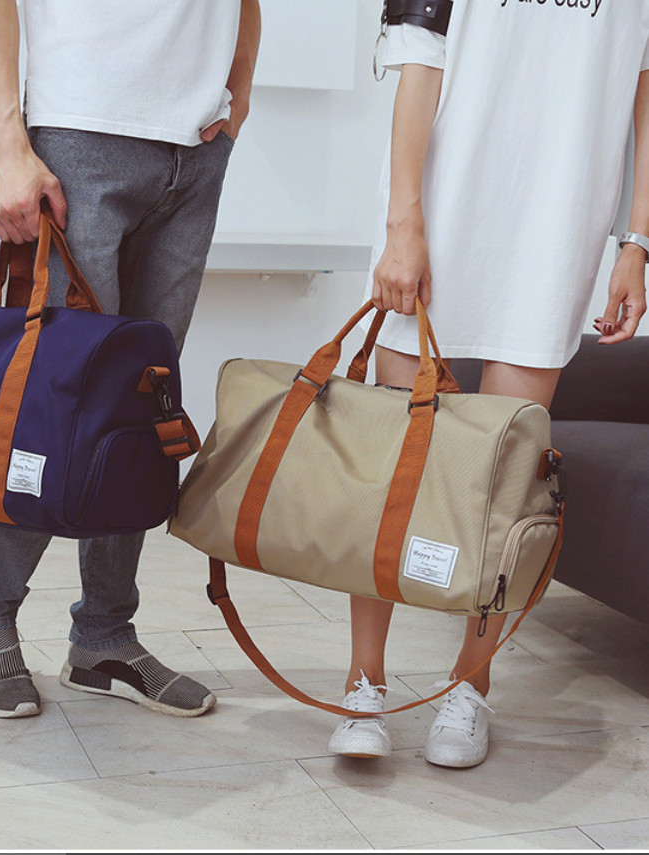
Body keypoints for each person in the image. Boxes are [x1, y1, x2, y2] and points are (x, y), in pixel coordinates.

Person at [328, 0, 648, 767]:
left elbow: (644, 95)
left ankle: (470, 684)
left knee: (505, 481)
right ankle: (363, 682)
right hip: (439, 212)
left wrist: (637, 243)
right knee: (390, 465)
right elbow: (418, 62)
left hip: (555, 231)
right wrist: (403, 223)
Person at [0, 0, 260, 719]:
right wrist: (8, 144)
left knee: (144, 405)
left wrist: (237, 90)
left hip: (196, 150)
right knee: (60, 403)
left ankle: (104, 635)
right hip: (79, 136)